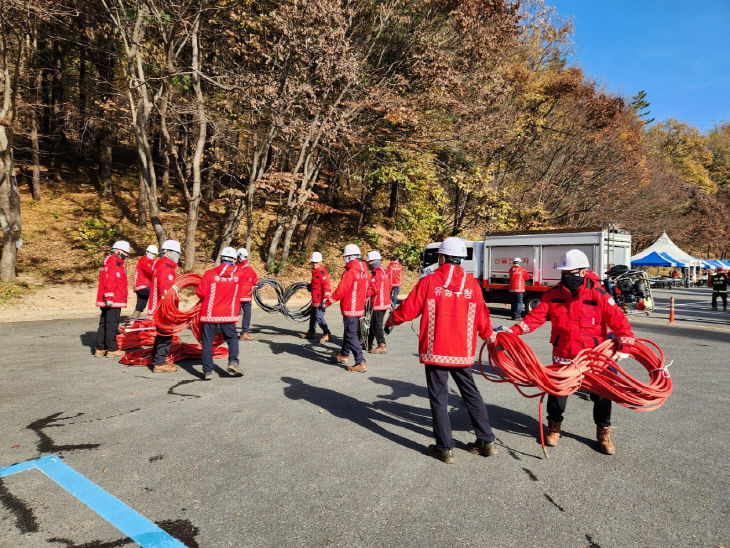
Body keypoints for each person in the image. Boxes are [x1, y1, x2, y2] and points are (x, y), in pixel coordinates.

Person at [501, 249, 635, 455]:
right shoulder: (553, 295)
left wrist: (625, 348)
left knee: (602, 396)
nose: (566, 277)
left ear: (583, 272)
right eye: (563, 273)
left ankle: (603, 433)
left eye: (570, 273)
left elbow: (620, 323)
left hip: (594, 359)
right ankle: (554, 428)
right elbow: (534, 319)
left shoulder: (599, 295)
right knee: (556, 393)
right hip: (564, 355)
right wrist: (513, 332)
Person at [385, 237, 498, 464]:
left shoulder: (430, 281)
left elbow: (409, 308)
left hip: (436, 351)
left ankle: (445, 448)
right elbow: (482, 315)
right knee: (471, 394)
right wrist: (490, 336)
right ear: (461, 259)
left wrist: (391, 321)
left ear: (442, 257)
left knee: (439, 397)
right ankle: (486, 441)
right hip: (463, 351)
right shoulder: (472, 284)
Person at [196, 247, 244, 380]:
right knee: (232, 338)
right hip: (228, 313)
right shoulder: (239, 274)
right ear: (234, 259)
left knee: (207, 341)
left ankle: (207, 371)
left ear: (221, 258)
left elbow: (200, 292)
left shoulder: (210, 273)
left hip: (210, 312)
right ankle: (233, 362)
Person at [327, 244, 369, 372]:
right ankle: (344, 354)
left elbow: (342, 290)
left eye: (345, 257)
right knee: (348, 332)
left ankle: (360, 361)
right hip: (358, 308)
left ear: (350, 257)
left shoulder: (351, 271)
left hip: (350, 307)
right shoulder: (364, 271)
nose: (344, 259)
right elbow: (367, 291)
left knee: (350, 334)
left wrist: (329, 301)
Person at [149, 240, 181, 374]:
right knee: (166, 333)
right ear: (167, 252)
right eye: (176, 253)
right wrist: (171, 308)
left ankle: (156, 358)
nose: (177, 256)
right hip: (164, 307)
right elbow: (166, 290)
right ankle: (160, 363)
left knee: (161, 333)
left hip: (159, 306)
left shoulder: (161, 264)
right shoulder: (166, 266)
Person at [94, 240, 130, 358]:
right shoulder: (115, 263)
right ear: (117, 251)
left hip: (108, 298)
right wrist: (109, 295)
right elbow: (111, 280)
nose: (126, 255)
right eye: (124, 252)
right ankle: (112, 348)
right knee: (112, 324)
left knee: (104, 322)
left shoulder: (109, 262)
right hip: (113, 299)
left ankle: (100, 347)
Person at [299, 251, 332, 342]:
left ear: (320, 262)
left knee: (319, 317)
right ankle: (311, 332)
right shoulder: (315, 272)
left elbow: (327, 287)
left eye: (316, 262)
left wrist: (325, 299)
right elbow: (316, 285)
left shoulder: (322, 272)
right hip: (315, 298)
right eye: (313, 262)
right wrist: (310, 286)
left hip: (320, 300)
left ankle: (327, 333)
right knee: (313, 316)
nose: (314, 264)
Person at [366, 250, 391, 354]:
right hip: (384, 301)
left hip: (378, 303)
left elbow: (374, 289)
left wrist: (365, 294)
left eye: (370, 262)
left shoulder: (377, 273)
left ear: (375, 261)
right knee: (372, 324)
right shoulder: (384, 270)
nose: (369, 264)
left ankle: (382, 344)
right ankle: (368, 343)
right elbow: (389, 286)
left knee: (376, 325)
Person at [236, 248, 259, 340]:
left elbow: (255, 280)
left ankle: (242, 333)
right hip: (242, 296)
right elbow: (255, 280)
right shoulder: (243, 268)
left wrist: (258, 284)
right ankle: (242, 333)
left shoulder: (243, 268)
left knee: (238, 315)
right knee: (244, 315)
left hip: (242, 296)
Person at [132, 244, 157, 319]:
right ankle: (156, 316)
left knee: (141, 305)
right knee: (155, 294)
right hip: (141, 286)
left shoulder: (150, 261)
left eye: (155, 255)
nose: (153, 256)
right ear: (148, 252)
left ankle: (132, 320)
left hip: (145, 285)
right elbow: (150, 271)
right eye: (153, 254)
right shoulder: (144, 260)